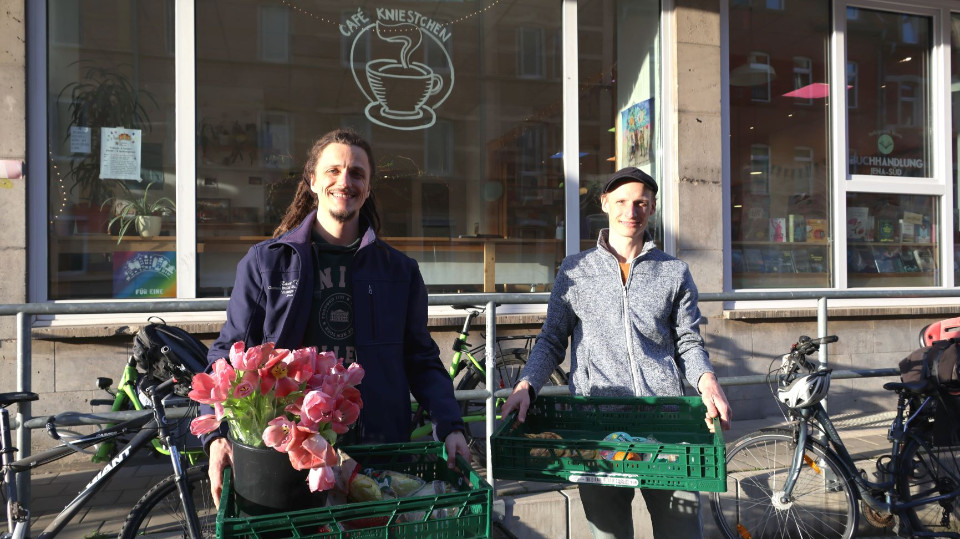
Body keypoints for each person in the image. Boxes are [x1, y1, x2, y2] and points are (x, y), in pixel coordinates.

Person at [202, 128, 469, 505]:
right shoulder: (267, 264)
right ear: (312, 180)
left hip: (379, 453)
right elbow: (227, 357)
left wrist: (450, 425)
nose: (345, 181)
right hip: (291, 460)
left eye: (357, 173)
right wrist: (217, 436)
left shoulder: (399, 271)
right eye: (333, 170)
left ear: (369, 187)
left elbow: (420, 358)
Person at [501, 166, 732, 539]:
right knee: (609, 534)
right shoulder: (576, 270)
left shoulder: (674, 272)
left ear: (652, 207)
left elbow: (688, 341)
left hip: (665, 422)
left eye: (641, 202)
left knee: (682, 532)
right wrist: (525, 384)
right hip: (598, 425)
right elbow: (551, 339)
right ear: (605, 204)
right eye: (622, 201)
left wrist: (707, 381)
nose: (631, 211)